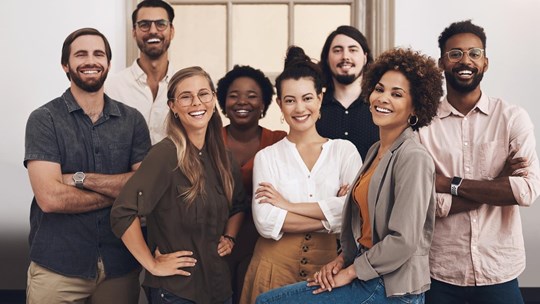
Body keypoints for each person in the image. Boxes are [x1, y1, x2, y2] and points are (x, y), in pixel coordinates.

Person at [256, 48, 444, 304]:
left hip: (390, 286)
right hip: (367, 270)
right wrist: (341, 260)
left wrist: (351, 271)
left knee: (269, 302)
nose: (383, 98)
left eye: (397, 94)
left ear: (416, 107)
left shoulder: (413, 157)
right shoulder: (376, 151)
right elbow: (358, 221)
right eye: (379, 89)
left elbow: (404, 241)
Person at [24, 28, 151, 304]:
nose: (91, 61)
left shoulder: (132, 121)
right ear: (65, 65)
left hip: (119, 265)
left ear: (108, 63)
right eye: (81, 54)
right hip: (57, 268)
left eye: (99, 54)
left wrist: (79, 179)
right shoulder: (44, 119)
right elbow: (49, 199)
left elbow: (143, 190)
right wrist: (119, 193)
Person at [417, 20, 540, 304]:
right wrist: (498, 185)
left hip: (499, 269)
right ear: (441, 63)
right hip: (440, 273)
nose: (465, 60)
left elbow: (528, 190)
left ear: (485, 63)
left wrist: (448, 183)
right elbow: (423, 201)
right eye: (455, 53)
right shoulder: (423, 125)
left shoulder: (512, 118)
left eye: (474, 53)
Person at [111, 66, 247, 304]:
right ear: (172, 106)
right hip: (177, 292)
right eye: (186, 97)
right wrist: (151, 264)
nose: (197, 103)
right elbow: (123, 212)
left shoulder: (223, 156)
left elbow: (238, 205)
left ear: (213, 99)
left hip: (219, 288)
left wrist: (230, 237)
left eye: (204, 94)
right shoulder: (165, 155)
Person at [239, 46, 362, 304]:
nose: (299, 108)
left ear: (320, 98)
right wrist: (334, 214)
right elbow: (266, 222)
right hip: (271, 271)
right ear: (279, 105)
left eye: (307, 98)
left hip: (328, 275)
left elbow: (357, 215)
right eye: (290, 100)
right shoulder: (267, 157)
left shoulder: (344, 151)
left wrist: (288, 206)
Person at [216, 65, 287, 304]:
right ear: (223, 103)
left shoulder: (279, 142)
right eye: (234, 95)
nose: (241, 102)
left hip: (264, 245)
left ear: (264, 104)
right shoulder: (209, 141)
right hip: (217, 243)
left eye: (252, 96)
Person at [106, 0, 176, 144]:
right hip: (126, 167)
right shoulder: (111, 88)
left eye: (161, 24)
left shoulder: (186, 86)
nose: (153, 31)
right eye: (144, 25)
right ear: (134, 32)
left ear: (172, 30)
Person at [317, 25, 379, 159]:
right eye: (337, 50)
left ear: (365, 57)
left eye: (353, 50)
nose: (345, 56)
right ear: (327, 59)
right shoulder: (314, 108)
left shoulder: (381, 106)